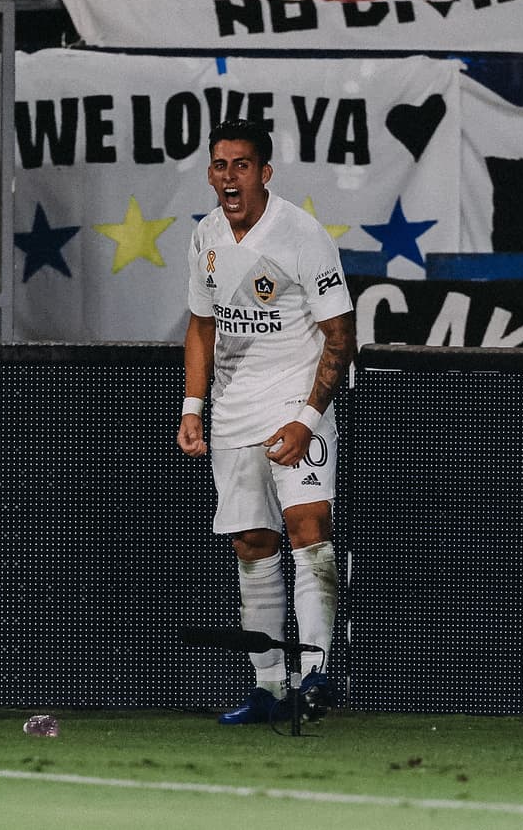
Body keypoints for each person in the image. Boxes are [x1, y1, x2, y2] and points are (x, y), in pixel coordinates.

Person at [177, 119, 356, 725]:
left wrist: (308, 419)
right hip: (233, 413)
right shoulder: (204, 236)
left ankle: (318, 675)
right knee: (252, 543)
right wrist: (193, 408)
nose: (230, 177)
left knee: (310, 527)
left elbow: (340, 334)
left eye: (242, 165)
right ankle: (269, 686)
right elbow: (201, 325)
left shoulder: (301, 234)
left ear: (265, 172)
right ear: (210, 173)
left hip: (296, 408)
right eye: (220, 165)